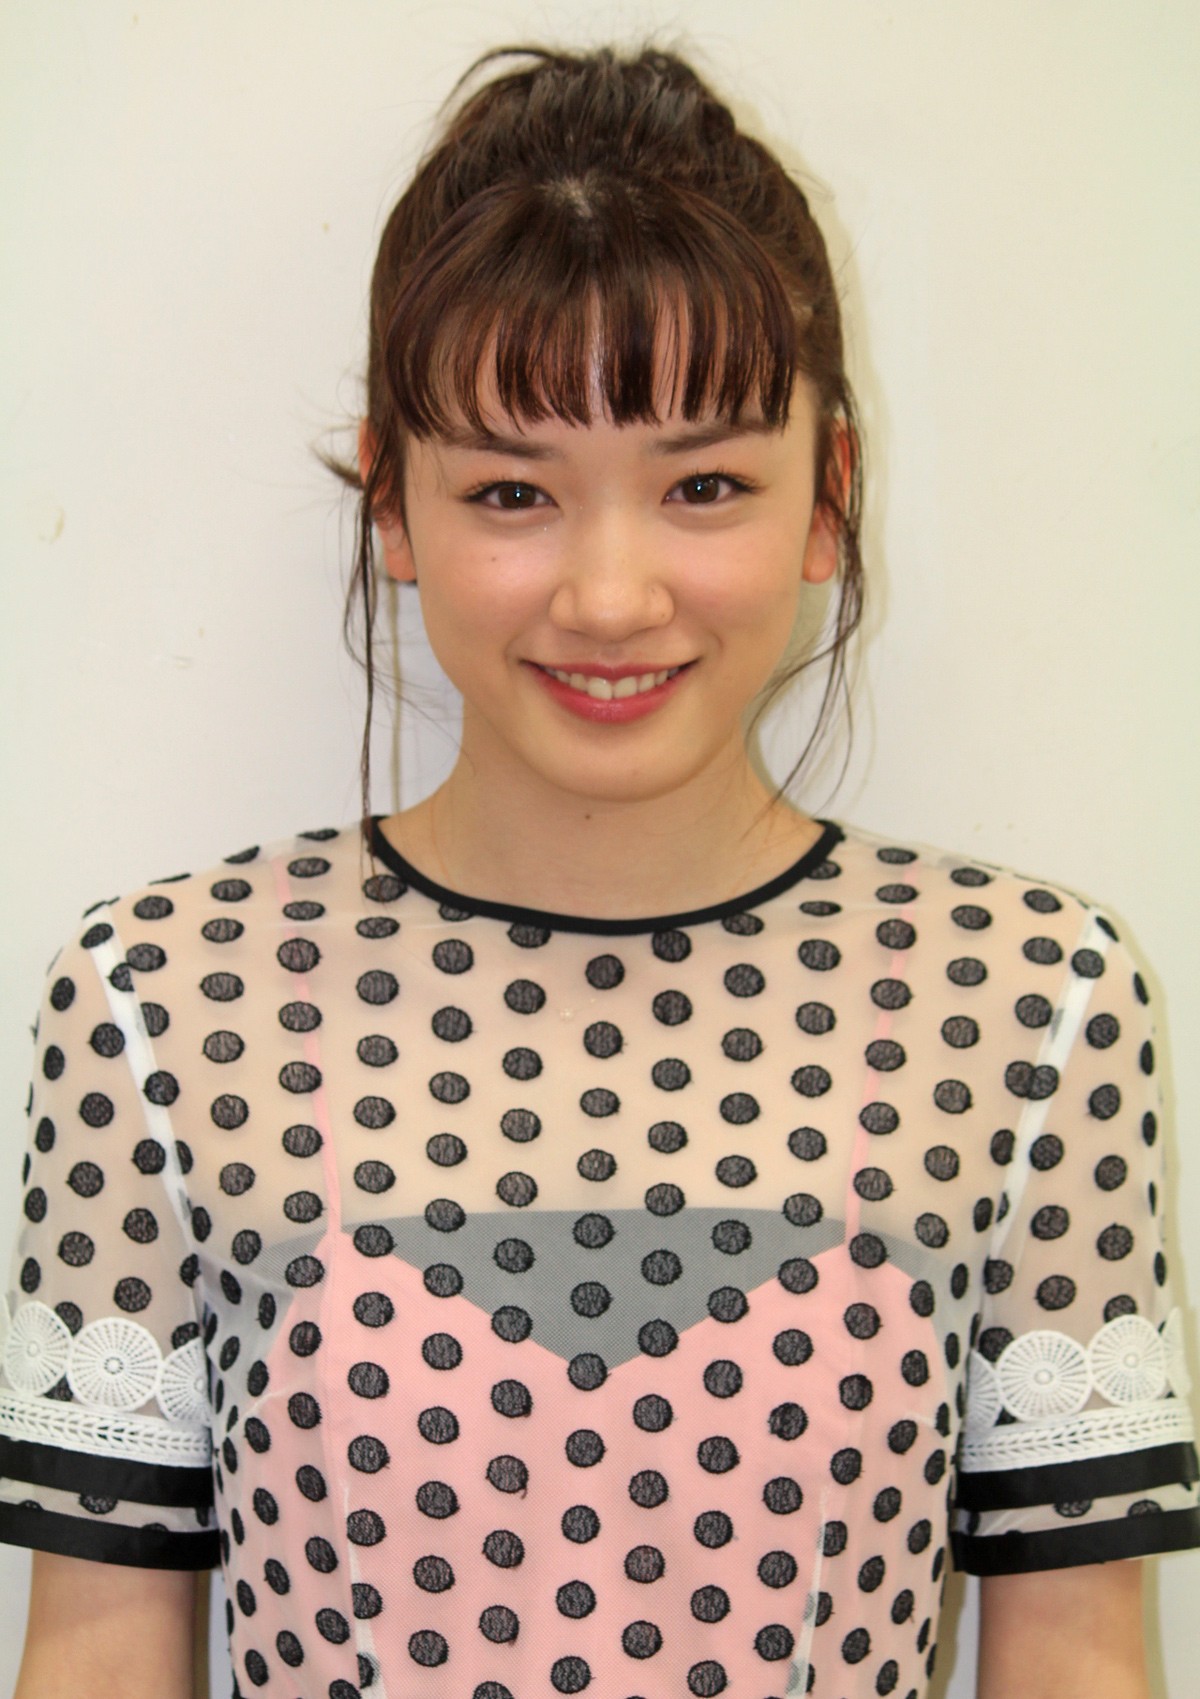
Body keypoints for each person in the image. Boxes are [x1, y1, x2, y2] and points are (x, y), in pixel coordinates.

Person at [1, 42, 1195, 1699]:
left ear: (829, 499)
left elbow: (1079, 1662)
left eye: (705, 484)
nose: (612, 595)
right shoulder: (157, 1007)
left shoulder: (1035, 1006)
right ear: (393, 509)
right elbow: (94, 1662)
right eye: (513, 491)